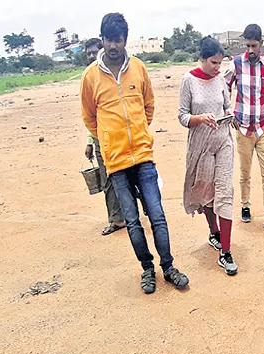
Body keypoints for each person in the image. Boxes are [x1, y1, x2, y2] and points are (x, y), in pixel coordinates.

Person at [80, 13, 189, 294]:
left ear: (124, 40)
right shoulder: (90, 77)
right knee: (131, 221)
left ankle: (168, 267)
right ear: (101, 39)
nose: (113, 45)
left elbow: (148, 106)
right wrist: (107, 140)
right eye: (108, 40)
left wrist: (138, 133)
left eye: (118, 40)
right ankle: (147, 270)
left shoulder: (139, 69)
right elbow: (89, 117)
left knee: (157, 215)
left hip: (143, 157)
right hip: (115, 163)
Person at [178, 37, 238, 276]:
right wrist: (200, 118)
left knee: (224, 192)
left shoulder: (221, 81)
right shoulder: (188, 81)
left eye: (220, 63)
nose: (217, 67)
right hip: (200, 146)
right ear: (202, 59)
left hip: (223, 141)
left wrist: (228, 114)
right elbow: (182, 116)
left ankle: (226, 251)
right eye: (213, 62)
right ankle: (214, 233)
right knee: (206, 193)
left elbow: (226, 105)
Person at [224, 24, 264, 236]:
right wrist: (229, 113)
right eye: (248, 45)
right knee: (245, 173)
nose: (250, 50)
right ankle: (245, 205)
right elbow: (224, 88)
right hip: (242, 129)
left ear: (261, 44)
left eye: (254, 46)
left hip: (262, 128)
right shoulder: (236, 64)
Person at [83, 38, 127, 235]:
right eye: (89, 53)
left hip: (123, 136)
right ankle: (117, 219)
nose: (92, 56)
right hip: (102, 138)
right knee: (108, 180)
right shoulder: (90, 76)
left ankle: (136, 211)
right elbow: (91, 113)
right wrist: (92, 140)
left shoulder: (120, 72)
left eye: (95, 52)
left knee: (132, 174)